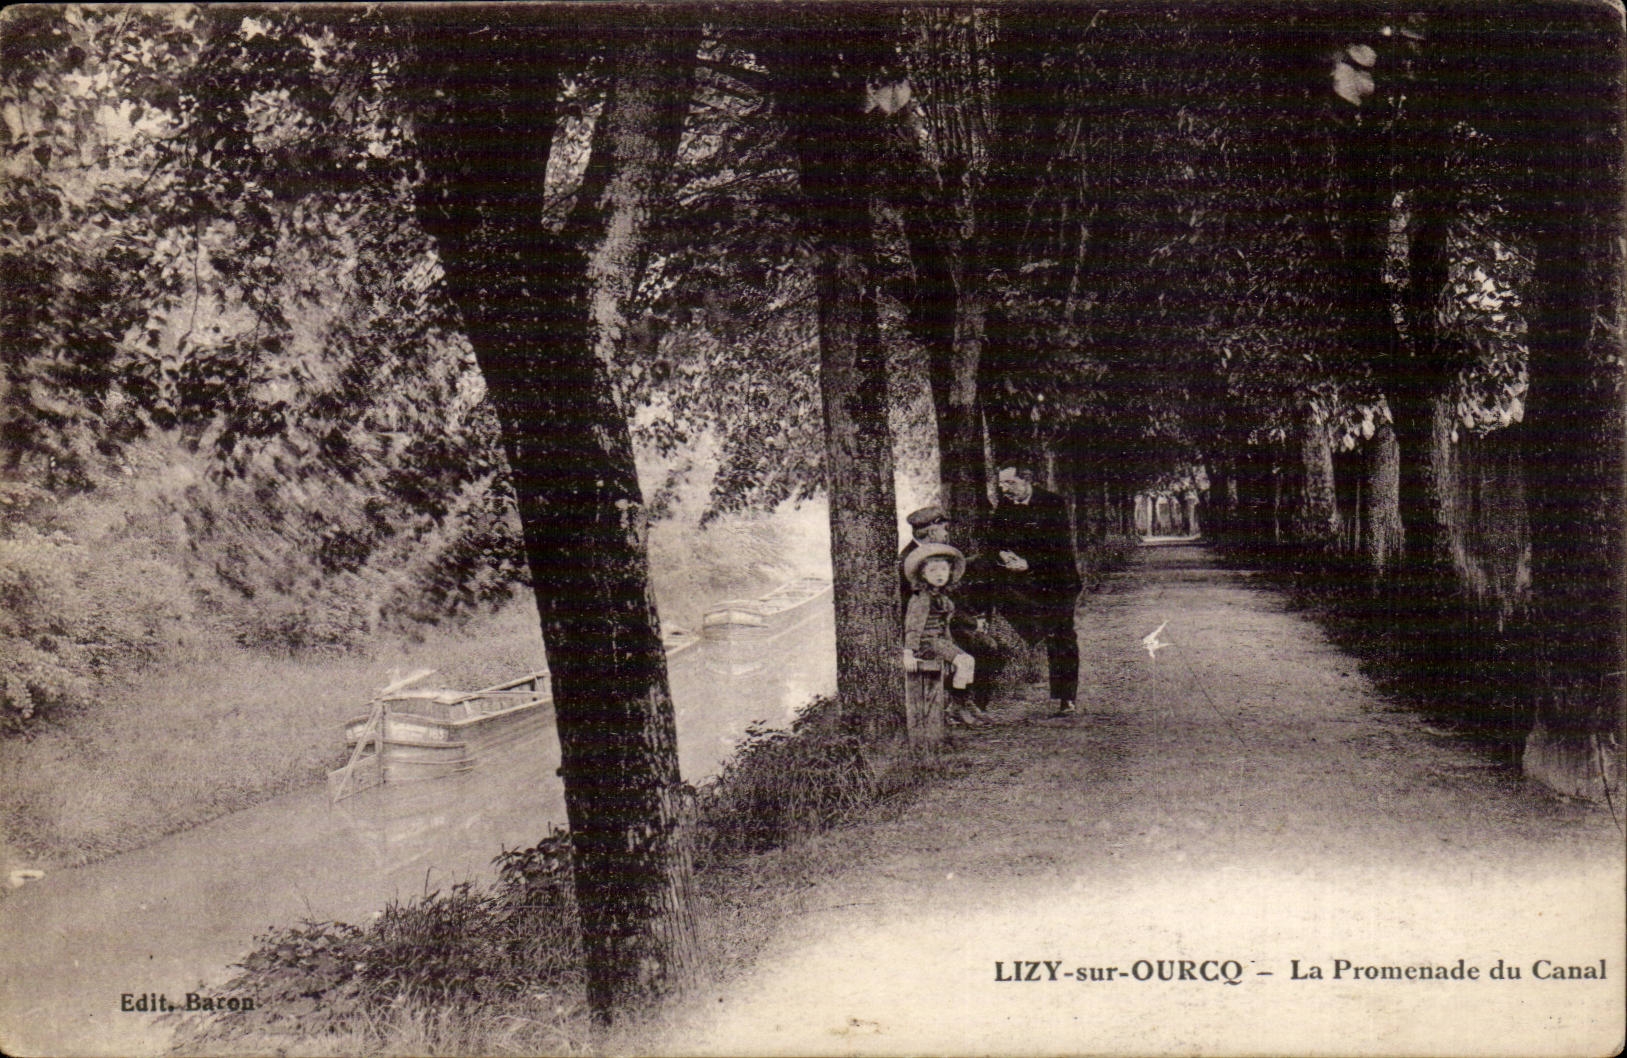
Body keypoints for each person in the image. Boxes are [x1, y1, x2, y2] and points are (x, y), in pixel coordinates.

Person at [988, 465, 1083, 716]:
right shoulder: (1005, 505)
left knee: (1062, 635)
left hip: (1057, 580)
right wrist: (1003, 553)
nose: (1005, 489)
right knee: (1039, 629)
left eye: (1010, 483)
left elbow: (1059, 548)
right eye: (1002, 485)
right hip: (1026, 582)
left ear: (1026, 480)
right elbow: (994, 539)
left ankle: (1066, 698)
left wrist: (1029, 563)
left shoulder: (1052, 504)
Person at [900, 506, 1006, 721]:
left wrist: (974, 621)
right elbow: (915, 609)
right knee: (984, 648)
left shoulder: (938, 554)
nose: (947, 535)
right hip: (924, 631)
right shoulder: (909, 560)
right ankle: (962, 703)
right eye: (944, 529)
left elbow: (952, 598)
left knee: (993, 647)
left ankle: (969, 703)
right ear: (932, 532)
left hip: (946, 625)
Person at [901, 542, 982, 727]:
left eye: (943, 570)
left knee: (965, 662)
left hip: (940, 643)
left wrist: (951, 648)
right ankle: (957, 705)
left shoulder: (942, 598)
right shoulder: (921, 598)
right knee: (966, 662)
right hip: (926, 644)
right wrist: (908, 652)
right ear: (923, 574)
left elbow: (944, 626)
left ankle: (958, 703)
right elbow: (913, 626)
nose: (939, 574)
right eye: (933, 570)